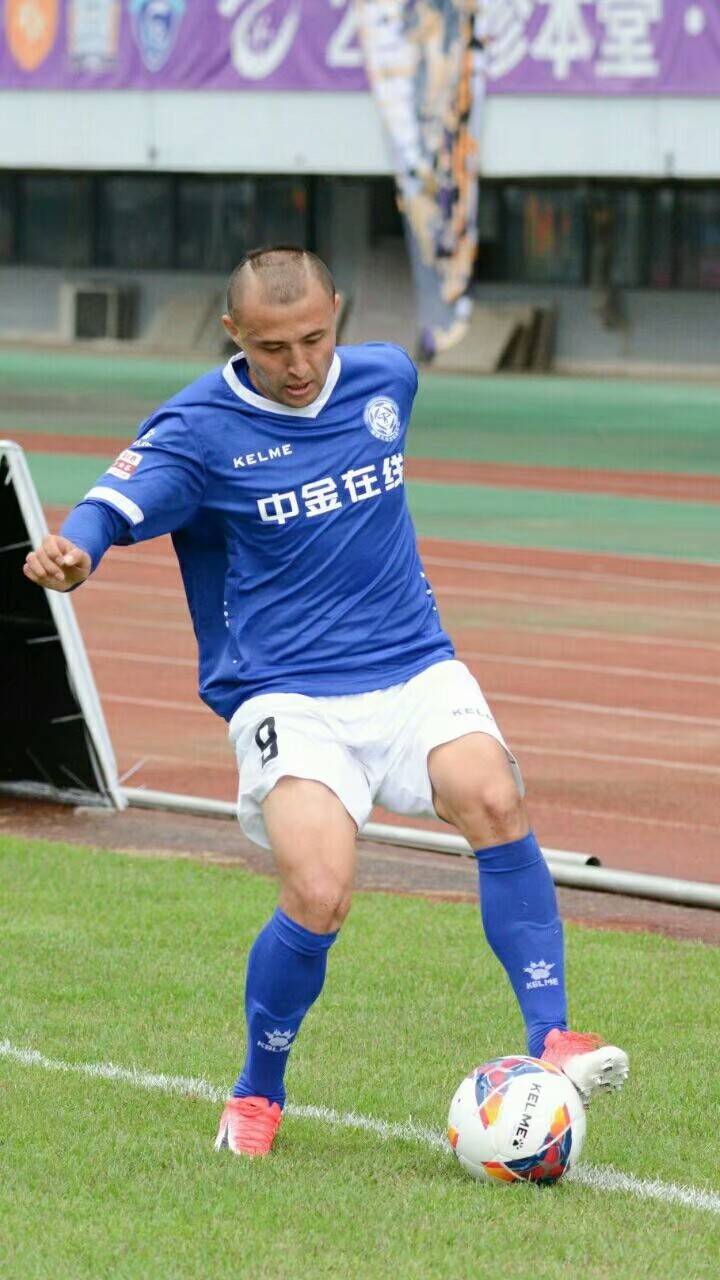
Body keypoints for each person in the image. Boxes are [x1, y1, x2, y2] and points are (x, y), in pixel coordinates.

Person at [25, 246, 628, 1158]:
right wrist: (76, 551)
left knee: (495, 798)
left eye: (314, 338)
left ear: (337, 312)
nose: (300, 364)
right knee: (317, 891)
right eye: (273, 347)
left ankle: (554, 1036)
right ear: (234, 333)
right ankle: (257, 1094)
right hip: (286, 695)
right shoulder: (197, 429)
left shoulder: (388, 378)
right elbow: (112, 504)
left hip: (413, 665)